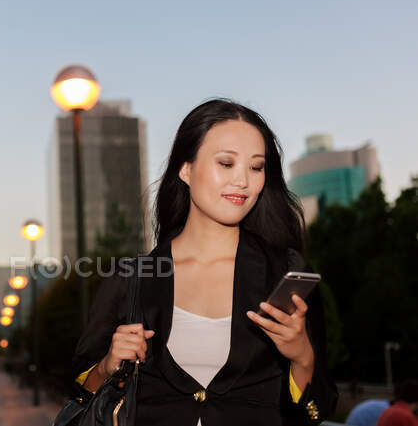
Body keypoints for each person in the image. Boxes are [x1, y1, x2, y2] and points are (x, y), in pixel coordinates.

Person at [70, 99, 338, 425]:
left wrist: (302, 356)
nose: (242, 181)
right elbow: (82, 396)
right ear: (186, 169)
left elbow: (320, 408)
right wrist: (108, 365)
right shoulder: (132, 277)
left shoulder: (286, 272)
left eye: (256, 167)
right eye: (226, 163)